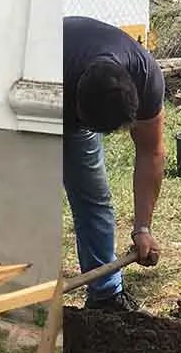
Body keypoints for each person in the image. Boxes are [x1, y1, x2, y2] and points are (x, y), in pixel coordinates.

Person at [63, 16, 165, 311]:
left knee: (93, 199)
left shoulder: (146, 79)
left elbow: (151, 152)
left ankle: (106, 296)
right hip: (42, 93)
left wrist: (142, 228)